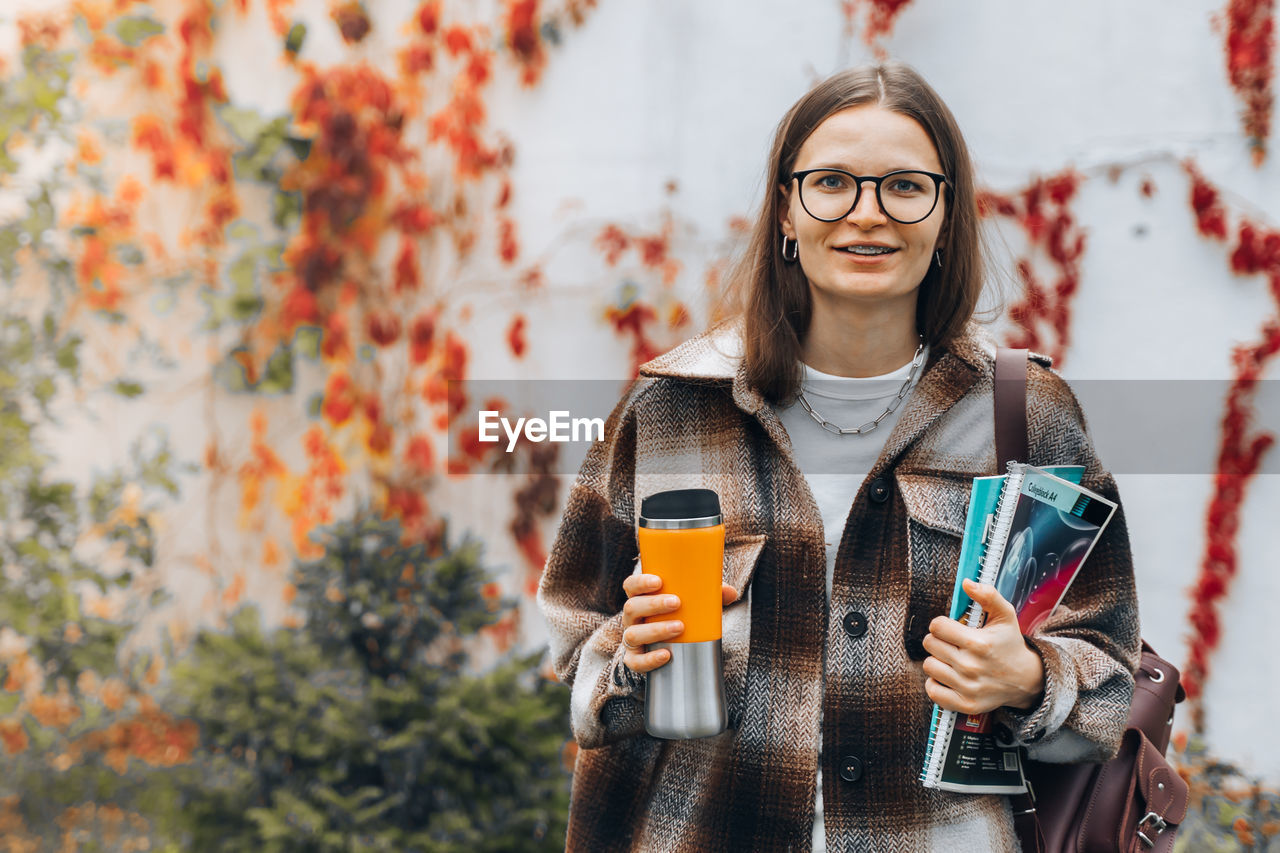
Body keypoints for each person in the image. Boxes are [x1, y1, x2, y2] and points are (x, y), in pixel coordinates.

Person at [537, 61, 1139, 852]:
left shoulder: (1024, 415)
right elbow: (577, 642)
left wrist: (1027, 679)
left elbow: (1109, 669)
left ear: (944, 213)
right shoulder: (672, 407)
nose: (866, 213)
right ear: (788, 208)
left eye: (904, 186)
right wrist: (626, 653)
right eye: (832, 182)